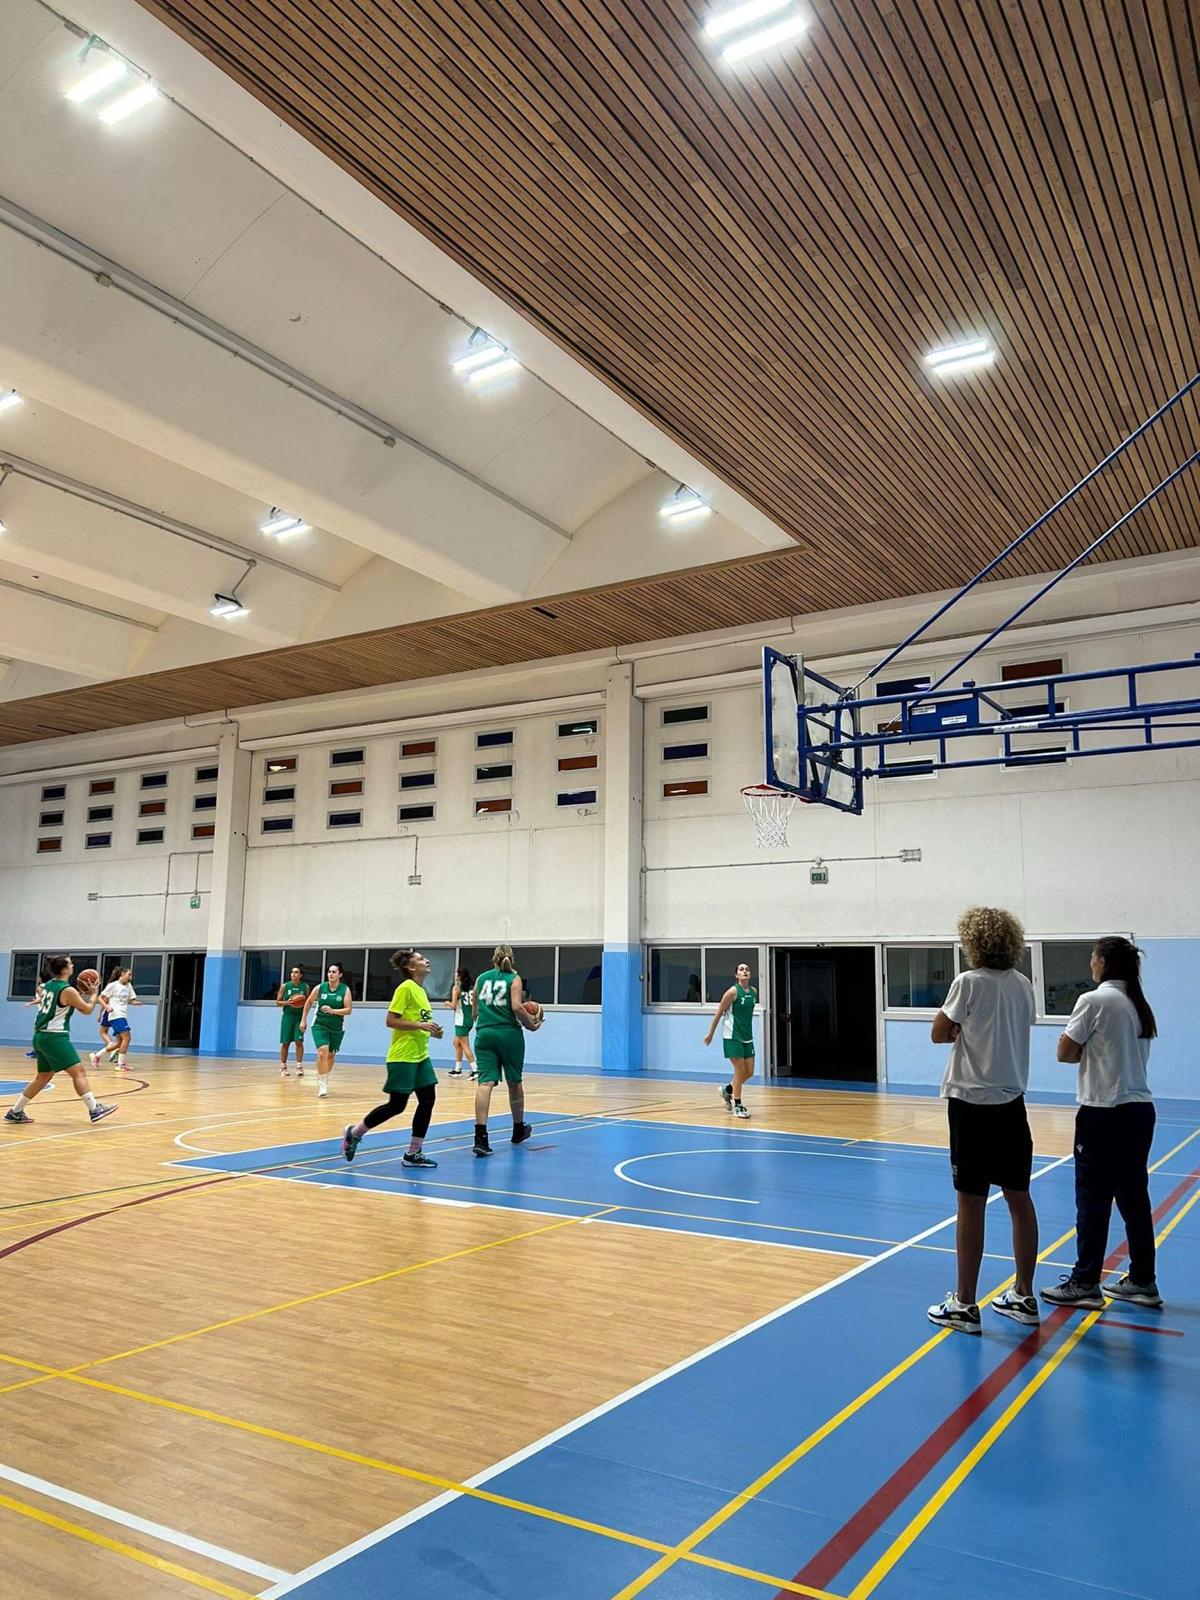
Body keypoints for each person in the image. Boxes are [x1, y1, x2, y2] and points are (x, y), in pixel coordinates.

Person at [927, 907, 1039, 1334]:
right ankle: (1024, 1296)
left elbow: (939, 1031)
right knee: (1019, 1199)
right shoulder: (1022, 984)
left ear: (973, 942)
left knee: (970, 1203)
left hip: (971, 1104)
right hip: (1012, 1103)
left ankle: (965, 1303)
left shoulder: (968, 982)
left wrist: (957, 1029)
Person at [1042, 937, 1161, 1311]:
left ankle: (1085, 1282)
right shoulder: (1138, 1004)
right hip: (1139, 1112)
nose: (1090, 963)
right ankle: (1143, 1279)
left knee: (1092, 1200)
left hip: (1103, 1112)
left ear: (1104, 961)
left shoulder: (1093, 1001)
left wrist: (1072, 1043)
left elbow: (1065, 1052)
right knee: (1133, 1199)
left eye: (1093, 957)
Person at [342, 950, 442, 1168]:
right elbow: (391, 1020)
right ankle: (355, 1132)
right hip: (403, 1057)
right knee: (397, 1105)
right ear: (412, 967)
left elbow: (418, 1022)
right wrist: (420, 1025)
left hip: (421, 1055)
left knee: (428, 1100)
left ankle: (413, 1153)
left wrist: (431, 1031)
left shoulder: (420, 990)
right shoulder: (405, 988)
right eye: (421, 959)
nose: (426, 960)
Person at [4, 955, 117, 1126]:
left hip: (40, 1036)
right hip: (54, 1037)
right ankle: (94, 1109)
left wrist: (81, 993)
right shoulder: (67, 990)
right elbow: (87, 1009)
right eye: (70, 964)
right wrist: (94, 994)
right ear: (64, 969)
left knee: (43, 1077)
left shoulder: (48, 985)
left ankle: (15, 1111)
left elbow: (65, 1002)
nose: (73, 965)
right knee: (78, 1072)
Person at [472, 945, 540, 1158]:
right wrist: (531, 1024)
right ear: (512, 959)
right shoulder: (514, 978)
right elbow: (517, 1007)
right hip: (508, 1034)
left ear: (493, 959)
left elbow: (474, 1011)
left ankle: (481, 1139)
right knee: (514, 1082)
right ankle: (518, 1130)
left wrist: (484, 1020)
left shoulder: (481, 978)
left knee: (485, 1083)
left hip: (484, 1033)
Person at [704, 962, 756, 1119]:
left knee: (749, 1072)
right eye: (741, 969)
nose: (744, 971)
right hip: (732, 1036)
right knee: (739, 1070)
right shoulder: (732, 992)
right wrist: (710, 1034)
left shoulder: (753, 992)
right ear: (736, 975)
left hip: (747, 1036)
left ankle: (727, 1090)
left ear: (750, 974)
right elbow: (719, 1013)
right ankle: (737, 1105)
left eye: (747, 969)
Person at [303, 961, 352, 1098]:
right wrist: (303, 1020)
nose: (331, 974)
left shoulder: (345, 990)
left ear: (340, 974)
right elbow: (309, 1002)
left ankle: (325, 1077)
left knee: (330, 1055)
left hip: (337, 1026)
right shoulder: (320, 988)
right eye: (329, 971)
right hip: (319, 1024)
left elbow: (348, 1010)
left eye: (334, 972)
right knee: (322, 1052)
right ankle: (322, 1084)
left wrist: (333, 1011)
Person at [91, 966, 140, 1073]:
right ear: (122, 974)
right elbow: (100, 998)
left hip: (122, 1014)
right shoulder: (113, 985)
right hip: (115, 1015)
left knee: (119, 1043)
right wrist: (106, 1007)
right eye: (129, 974)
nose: (130, 977)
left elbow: (130, 1000)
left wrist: (135, 1003)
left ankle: (96, 1055)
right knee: (127, 1037)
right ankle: (120, 1064)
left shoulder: (129, 986)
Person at [276, 964, 309, 1078]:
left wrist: (304, 1019)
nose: (293, 974)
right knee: (285, 1043)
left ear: (301, 975)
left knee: (299, 1041)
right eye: (292, 972)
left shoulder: (305, 987)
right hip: (288, 1017)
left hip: (299, 1017)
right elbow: (278, 1002)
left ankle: (299, 1067)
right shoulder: (285, 986)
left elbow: (307, 1003)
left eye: (296, 972)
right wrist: (288, 1002)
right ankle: (283, 1067)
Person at [448, 966, 476, 1079]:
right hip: (470, 1019)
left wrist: (447, 1003)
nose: (455, 975)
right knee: (457, 1043)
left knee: (465, 1045)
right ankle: (458, 1069)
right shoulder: (472, 988)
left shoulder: (457, 988)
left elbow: (453, 1005)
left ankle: (475, 1070)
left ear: (460, 976)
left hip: (461, 1020)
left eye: (457, 973)